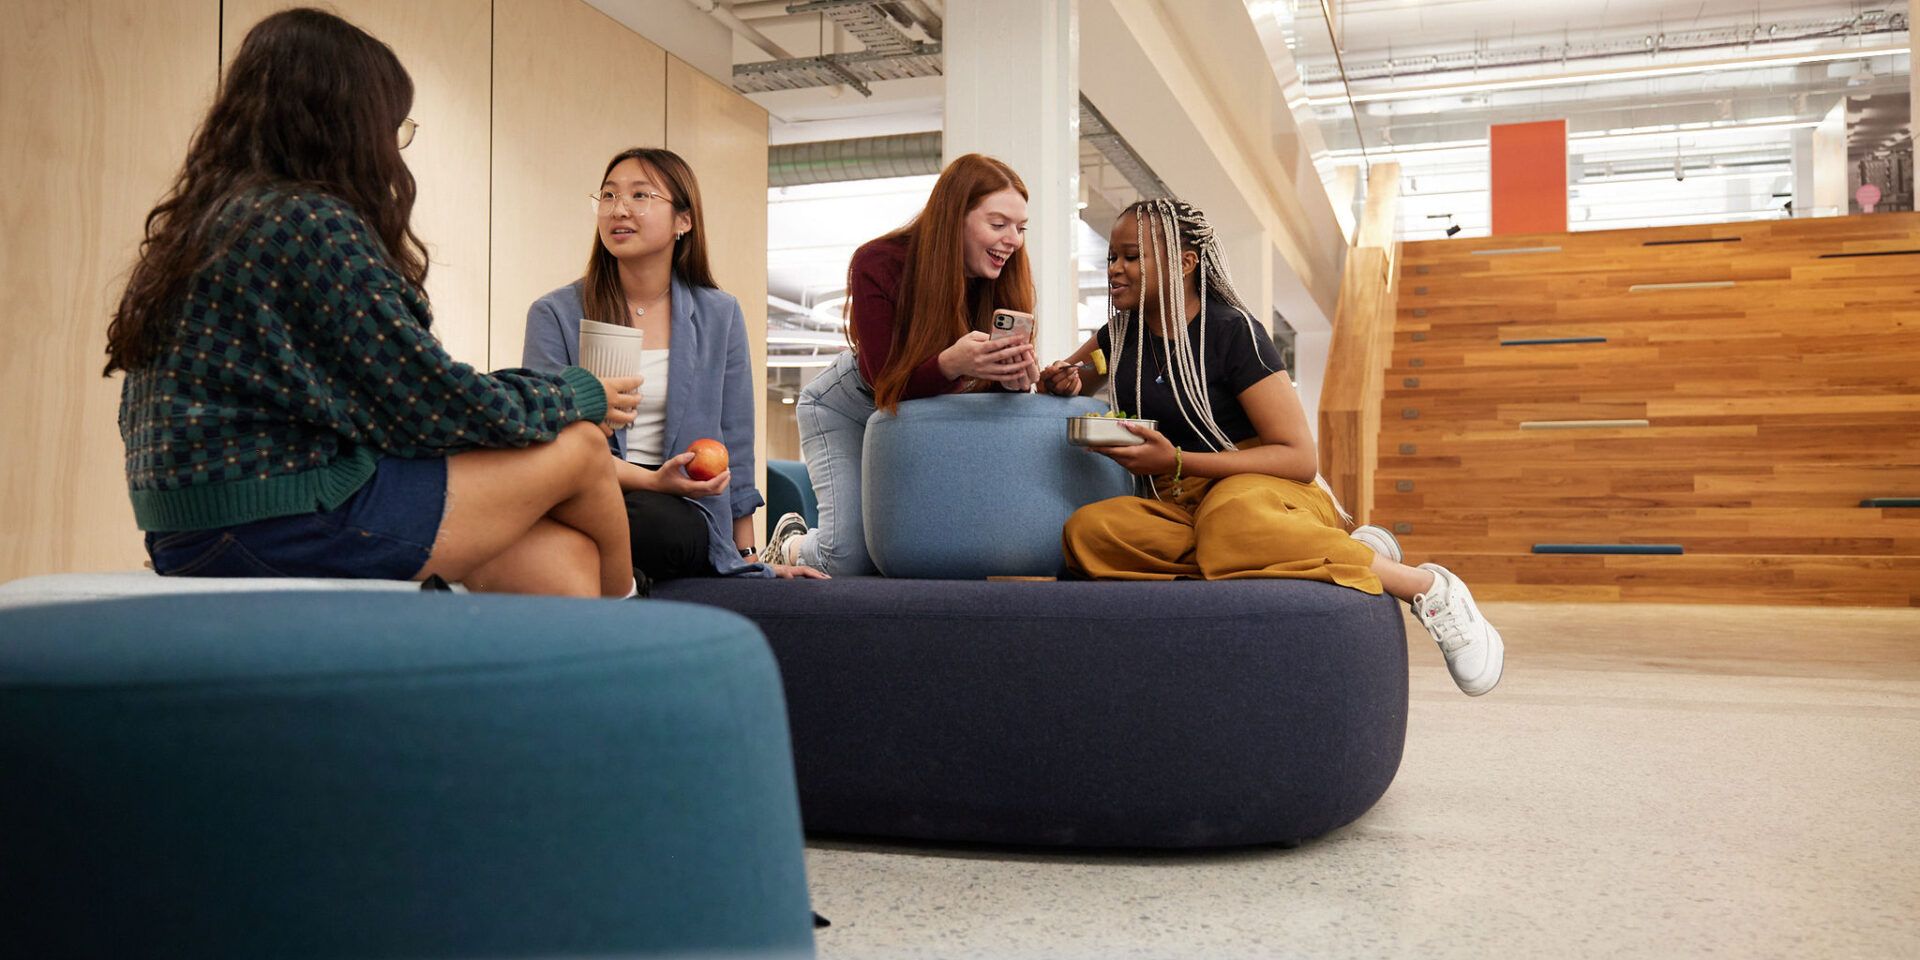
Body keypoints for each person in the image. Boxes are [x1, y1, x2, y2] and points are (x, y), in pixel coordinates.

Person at [107, 8, 642, 598]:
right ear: (350, 125)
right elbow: (431, 406)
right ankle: (636, 620)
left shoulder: (202, 226)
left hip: (183, 531)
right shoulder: (307, 220)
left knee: (555, 555)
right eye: (394, 127)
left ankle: (578, 665)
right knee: (584, 445)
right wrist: (577, 393)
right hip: (276, 522)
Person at [1038, 198, 1504, 696]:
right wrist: (1064, 381)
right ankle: (1318, 549)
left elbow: (1300, 459)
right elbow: (1082, 375)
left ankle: (1426, 587)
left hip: (1259, 486)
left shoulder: (1232, 332)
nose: (1116, 269)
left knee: (1231, 525)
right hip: (1180, 503)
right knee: (1090, 533)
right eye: (1112, 257)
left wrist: (1175, 459)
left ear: (1186, 263)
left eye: (1132, 257)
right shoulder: (1120, 335)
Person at [523, 147, 822, 581]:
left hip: (682, 507)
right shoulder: (555, 314)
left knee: (660, 526)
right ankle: (619, 582)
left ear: (684, 220)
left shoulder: (719, 313)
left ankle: (598, 574)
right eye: (607, 196)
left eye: (640, 196)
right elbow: (546, 436)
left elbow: (734, 438)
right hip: (586, 489)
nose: (618, 209)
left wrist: (747, 554)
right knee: (601, 515)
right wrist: (648, 481)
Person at [761, 153, 1041, 574]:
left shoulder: (1003, 278)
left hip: (918, 421)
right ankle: (791, 544)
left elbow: (987, 400)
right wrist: (951, 363)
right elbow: (882, 382)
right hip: (847, 408)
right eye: (998, 224)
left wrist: (1017, 378)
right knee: (848, 558)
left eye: (1020, 228)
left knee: (910, 547)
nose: (1013, 240)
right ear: (953, 218)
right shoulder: (879, 262)